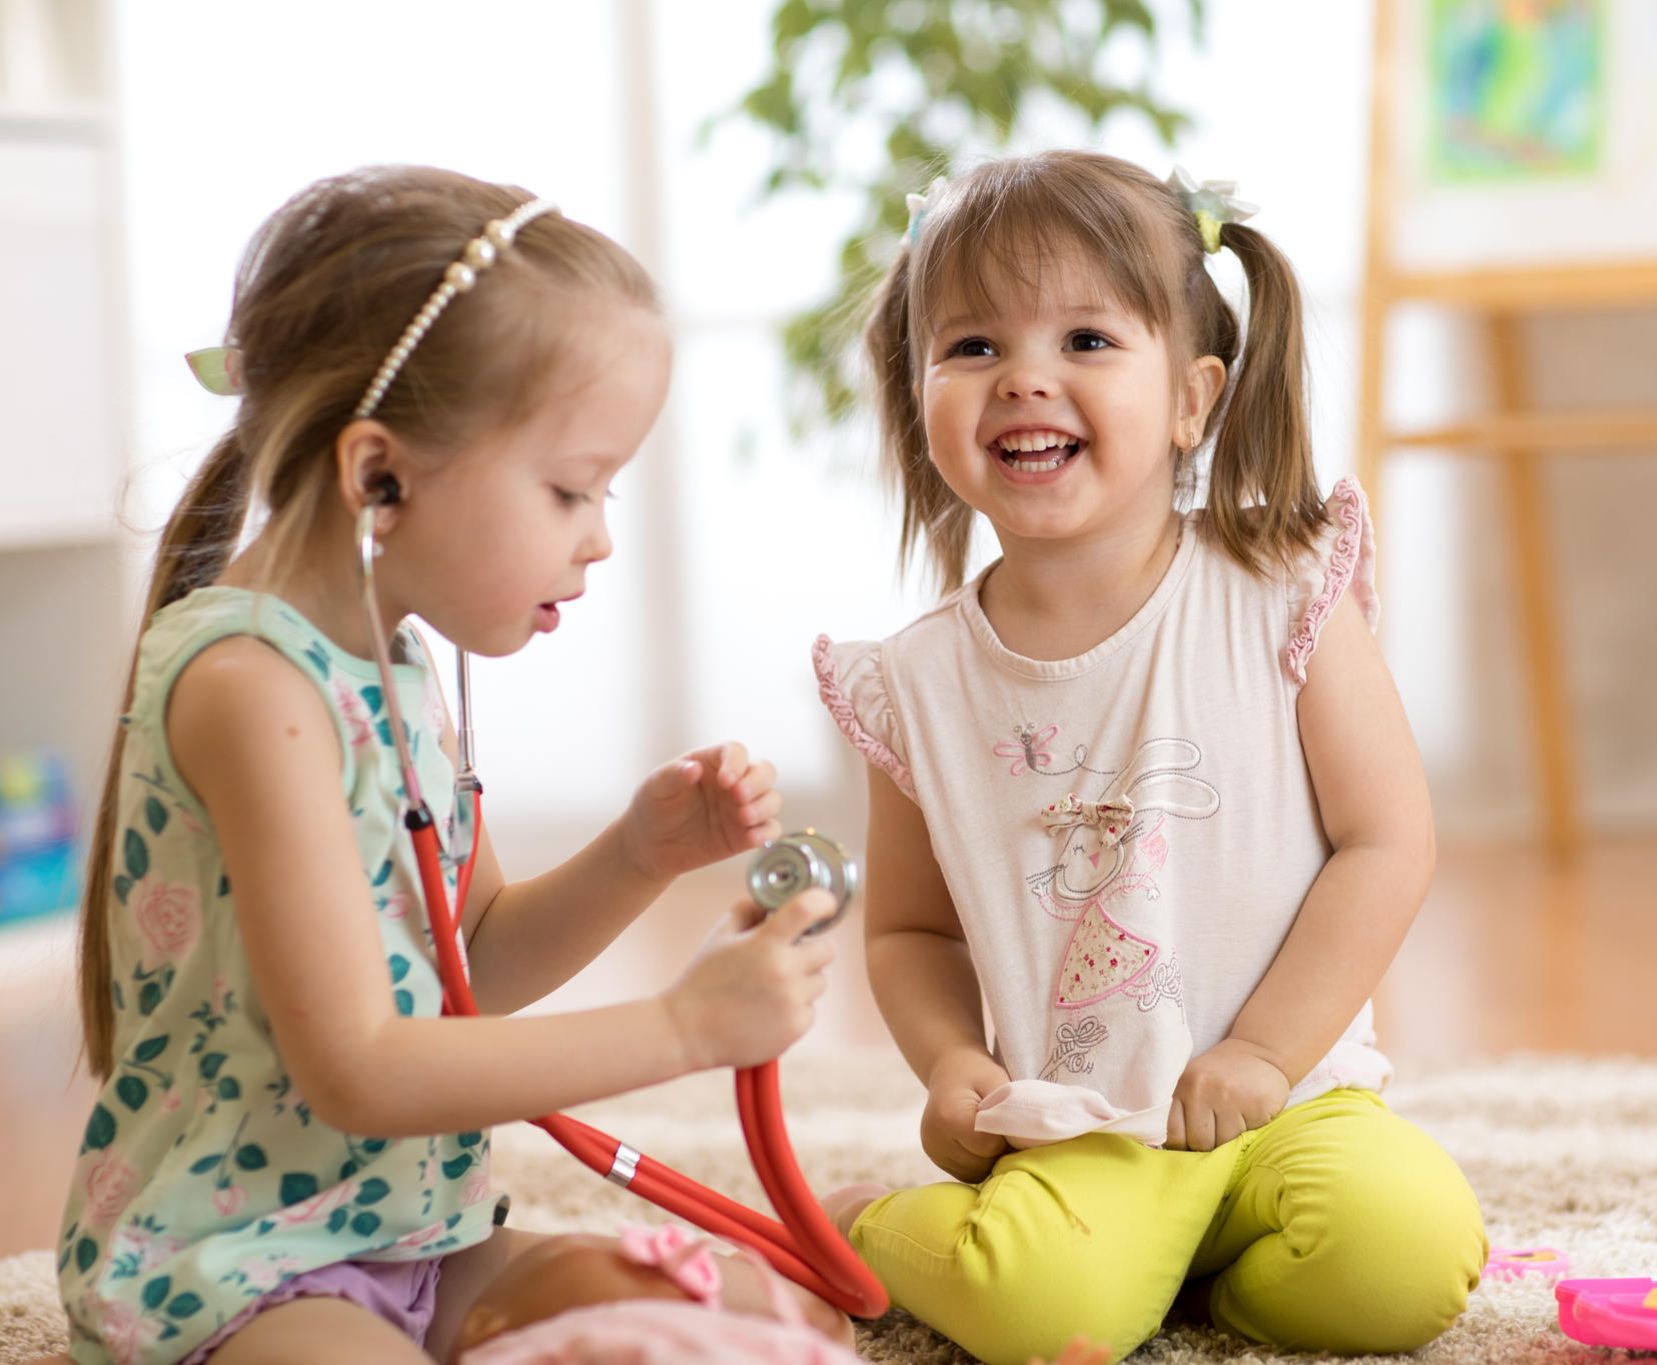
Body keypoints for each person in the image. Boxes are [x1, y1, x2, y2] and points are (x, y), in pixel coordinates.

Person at [56, 166, 845, 1365]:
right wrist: (684, 1027)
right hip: (241, 1266)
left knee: (754, 1312)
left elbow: (469, 965)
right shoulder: (249, 689)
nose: (600, 536)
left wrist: (637, 857)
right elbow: (364, 1066)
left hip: (418, 1234)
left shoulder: (394, 662)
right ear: (381, 475)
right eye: (570, 488)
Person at [812, 151, 1486, 1363]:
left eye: (1083, 340)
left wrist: (1265, 1052)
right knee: (1039, 1315)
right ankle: (866, 1229)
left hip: (1293, 1104)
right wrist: (954, 1064)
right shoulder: (914, 683)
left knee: (1402, 1258)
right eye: (970, 348)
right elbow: (908, 932)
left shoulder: (1280, 590)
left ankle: (1189, 1287)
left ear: (1190, 396)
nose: (1022, 379)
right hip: (1084, 1124)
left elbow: (1387, 841)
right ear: (921, 396)